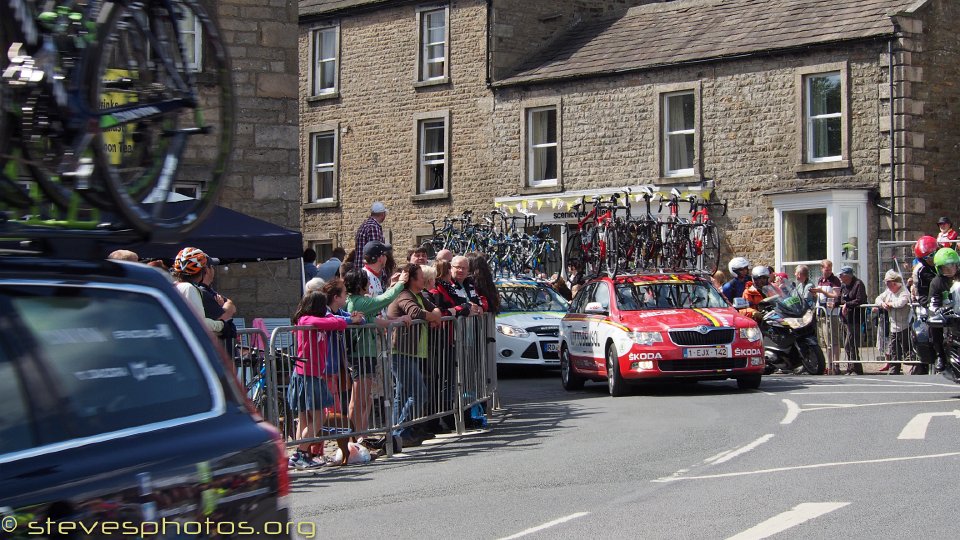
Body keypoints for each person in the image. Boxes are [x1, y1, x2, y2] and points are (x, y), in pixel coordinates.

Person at [344, 268, 409, 444]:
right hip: (361, 354)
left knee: (365, 399)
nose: (369, 284)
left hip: (367, 353)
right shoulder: (358, 302)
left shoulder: (360, 302)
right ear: (361, 285)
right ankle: (352, 439)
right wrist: (401, 284)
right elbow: (384, 300)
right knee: (357, 400)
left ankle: (361, 437)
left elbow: (374, 320)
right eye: (366, 281)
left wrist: (395, 321)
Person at [287, 291, 347, 469]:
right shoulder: (305, 319)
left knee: (306, 419)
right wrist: (333, 318)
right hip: (306, 374)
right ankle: (299, 453)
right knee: (318, 417)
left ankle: (303, 454)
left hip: (313, 374)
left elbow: (339, 323)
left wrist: (334, 319)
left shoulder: (316, 321)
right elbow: (339, 322)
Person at [387, 263, 443, 447]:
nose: (423, 279)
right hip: (401, 350)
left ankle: (397, 433)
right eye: (419, 276)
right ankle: (401, 430)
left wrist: (434, 316)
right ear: (412, 279)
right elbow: (416, 312)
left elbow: (435, 309)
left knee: (402, 395)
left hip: (413, 351)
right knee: (419, 393)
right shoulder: (403, 294)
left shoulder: (418, 295)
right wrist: (433, 317)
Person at [172, 247, 225, 334]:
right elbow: (199, 322)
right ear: (203, 271)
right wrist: (222, 325)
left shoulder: (173, 286)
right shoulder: (189, 288)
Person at [197, 258, 238, 356]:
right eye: (212, 267)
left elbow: (232, 306)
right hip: (218, 354)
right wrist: (224, 308)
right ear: (207, 270)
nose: (214, 270)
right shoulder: (203, 292)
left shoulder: (209, 291)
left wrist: (223, 307)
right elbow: (225, 316)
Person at [910, 235, 939, 375]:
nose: (932, 258)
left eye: (934, 254)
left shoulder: (938, 265)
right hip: (927, 300)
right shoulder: (921, 269)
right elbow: (935, 283)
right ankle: (938, 354)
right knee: (935, 324)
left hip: (940, 298)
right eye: (930, 256)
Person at [929, 247, 960, 372]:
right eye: (945, 267)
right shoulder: (936, 283)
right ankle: (940, 355)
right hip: (947, 313)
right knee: (934, 326)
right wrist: (938, 312)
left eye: (952, 266)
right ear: (939, 268)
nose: (950, 269)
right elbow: (933, 303)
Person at [875, 270, 911, 375]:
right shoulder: (888, 292)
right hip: (893, 327)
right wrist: (882, 304)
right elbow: (878, 299)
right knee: (894, 350)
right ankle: (894, 369)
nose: (887, 285)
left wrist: (890, 304)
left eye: (888, 283)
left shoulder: (904, 292)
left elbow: (901, 303)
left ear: (894, 282)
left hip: (905, 326)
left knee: (907, 349)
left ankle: (910, 369)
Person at [811, 259, 843, 373]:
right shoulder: (820, 280)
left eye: (830, 269)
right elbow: (820, 296)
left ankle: (836, 364)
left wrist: (822, 291)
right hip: (822, 313)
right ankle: (829, 365)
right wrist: (815, 293)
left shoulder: (835, 280)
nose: (828, 271)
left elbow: (835, 295)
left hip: (832, 314)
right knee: (825, 341)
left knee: (833, 340)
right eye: (826, 269)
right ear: (822, 269)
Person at [838, 265, 866, 375]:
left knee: (849, 344)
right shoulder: (843, 285)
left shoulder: (858, 284)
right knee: (849, 344)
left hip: (855, 318)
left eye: (842, 275)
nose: (840, 277)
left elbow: (860, 299)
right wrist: (835, 304)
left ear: (848, 275)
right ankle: (853, 368)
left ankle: (854, 367)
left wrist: (847, 305)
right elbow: (839, 298)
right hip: (845, 319)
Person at [361, 241, 392, 314]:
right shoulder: (364, 277)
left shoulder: (374, 276)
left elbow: (381, 313)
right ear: (380, 258)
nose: (386, 258)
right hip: (374, 325)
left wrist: (397, 319)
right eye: (385, 255)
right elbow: (369, 313)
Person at [354, 202, 387, 268]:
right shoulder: (373, 227)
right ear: (383, 214)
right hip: (368, 271)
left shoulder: (364, 225)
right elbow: (375, 252)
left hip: (360, 269)